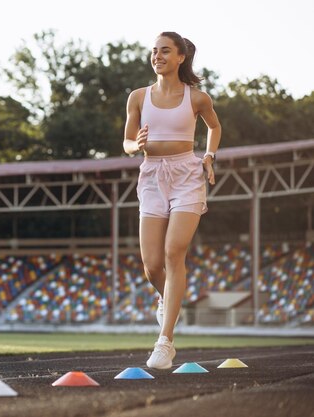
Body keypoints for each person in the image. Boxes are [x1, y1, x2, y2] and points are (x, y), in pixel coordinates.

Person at [122, 32, 221, 369]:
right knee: (151, 264)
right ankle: (167, 298)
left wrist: (208, 155)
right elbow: (126, 143)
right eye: (154, 51)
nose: (157, 56)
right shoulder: (138, 97)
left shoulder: (197, 98)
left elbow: (214, 127)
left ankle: (165, 341)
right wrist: (136, 144)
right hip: (151, 176)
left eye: (165, 51)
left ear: (181, 57)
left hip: (186, 175)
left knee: (173, 251)